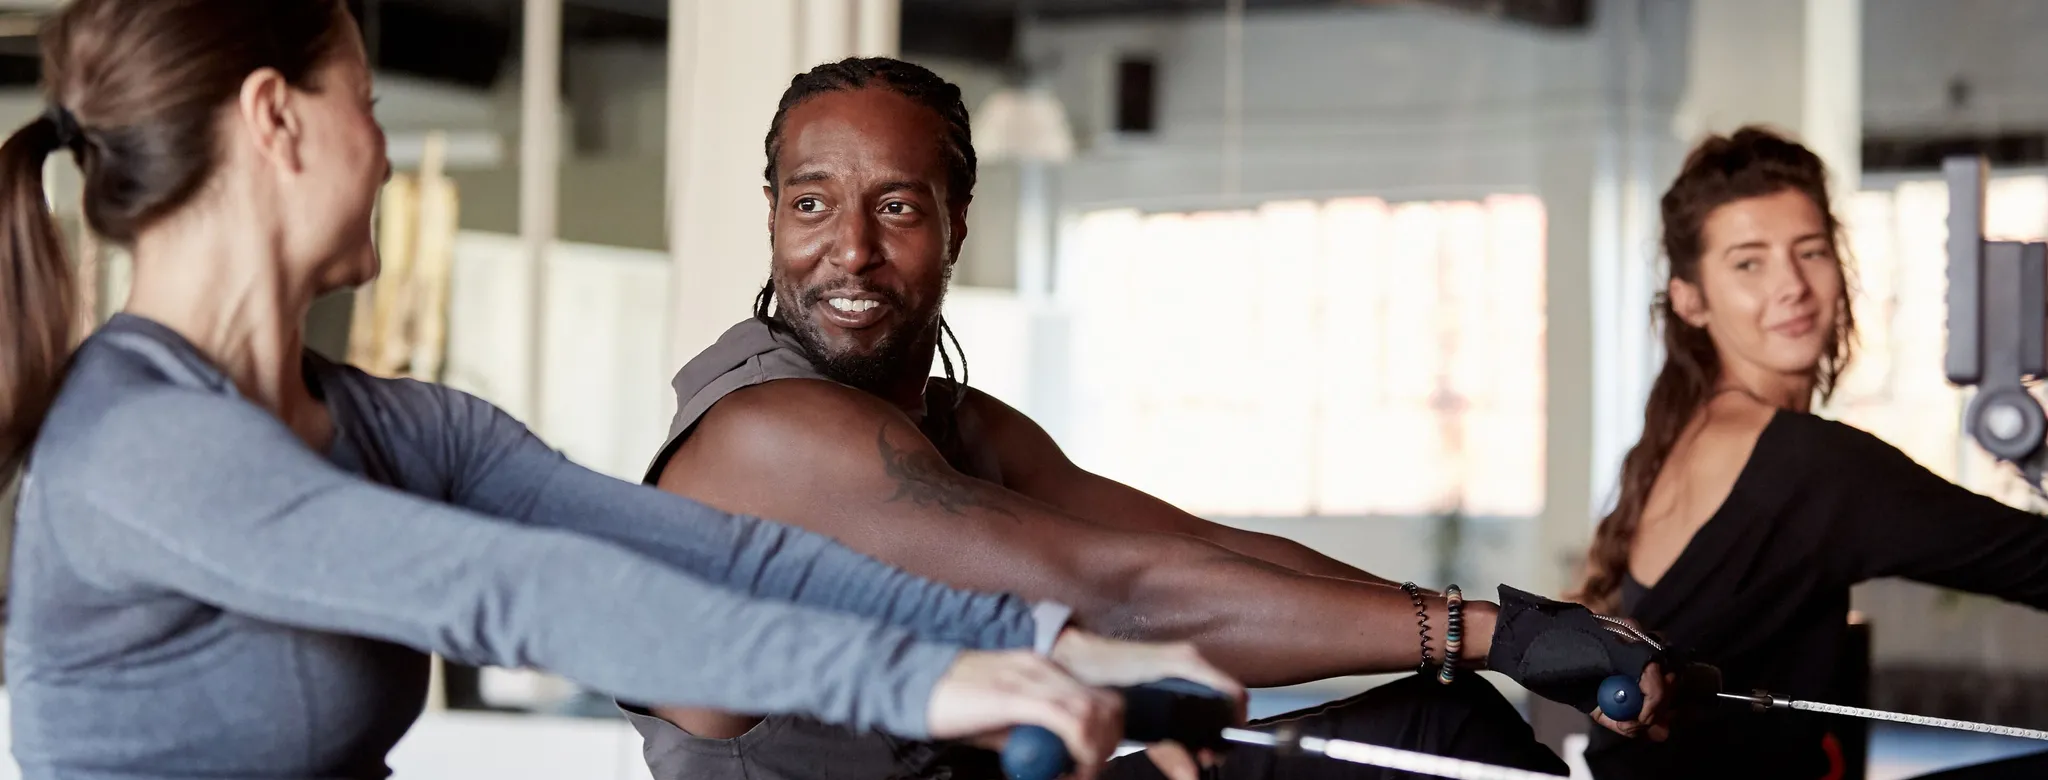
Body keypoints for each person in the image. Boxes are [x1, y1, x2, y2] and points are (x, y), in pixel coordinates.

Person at [0, 3, 1249, 779]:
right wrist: (925, 684)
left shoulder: (397, 426)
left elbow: (730, 560)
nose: (384, 151)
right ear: (278, 122)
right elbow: (512, 591)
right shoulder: (136, 442)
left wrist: (1036, 642)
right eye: (367, 110)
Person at [634, 56, 1676, 780]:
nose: (848, 250)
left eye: (896, 207)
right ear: (770, 213)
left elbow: (1187, 548)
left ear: (956, 224)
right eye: (809, 205)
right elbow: (1116, 598)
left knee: (1431, 721)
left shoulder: (961, 428)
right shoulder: (770, 435)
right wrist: (1476, 633)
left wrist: (1524, 637)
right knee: (1433, 709)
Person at [1570, 126, 2048, 780]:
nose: (1790, 284)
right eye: (1748, 263)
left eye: (1810, 251)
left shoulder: (1693, 434)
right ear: (1691, 300)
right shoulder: (1806, 465)